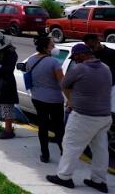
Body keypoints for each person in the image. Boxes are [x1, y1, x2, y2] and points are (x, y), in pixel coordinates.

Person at [46, 44, 112, 192]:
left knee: (71, 146)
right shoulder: (105, 68)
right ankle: (99, 181)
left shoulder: (79, 69)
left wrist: (72, 100)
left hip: (84, 116)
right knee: (100, 150)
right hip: (104, 117)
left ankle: (64, 177)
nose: (74, 60)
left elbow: (64, 84)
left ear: (81, 55)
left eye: (75, 57)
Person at [26, 35, 64, 163]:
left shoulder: (30, 60)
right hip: (54, 100)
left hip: (37, 98)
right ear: (45, 48)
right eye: (52, 45)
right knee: (59, 128)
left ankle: (45, 155)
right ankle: (64, 154)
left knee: (43, 126)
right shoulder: (54, 63)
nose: (54, 47)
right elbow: (62, 83)